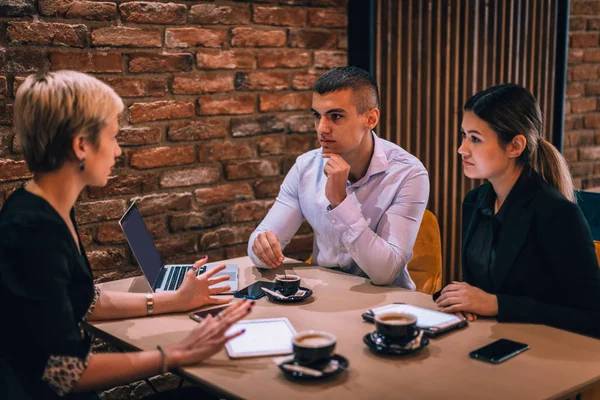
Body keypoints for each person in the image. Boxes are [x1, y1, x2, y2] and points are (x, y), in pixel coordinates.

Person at [0, 71, 255, 400]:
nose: (118, 151)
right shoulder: (32, 232)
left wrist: (177, 300)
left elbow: (84, 300)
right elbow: (65, 373)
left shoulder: (48, 205)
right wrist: (176, 353)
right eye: (113, 137)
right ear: (81, 145)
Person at [435, 83, 600, 338]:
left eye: (475, 139)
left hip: (546, 355)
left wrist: (496, 304)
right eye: (463, 135)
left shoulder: (557, 214)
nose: (462, 149)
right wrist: (462, 301)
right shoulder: (475, 201)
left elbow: (592, 318)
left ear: (515, 146)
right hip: (488, 342)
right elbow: (479, 287)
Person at [247, 66, 430, 289]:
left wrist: (341, 202)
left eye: (336, 116)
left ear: (370, 118)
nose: (322, 128)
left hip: (387, 305)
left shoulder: (408, 174)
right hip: (323, 295)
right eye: (317, 116)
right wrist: (261, 249)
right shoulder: (306, 167)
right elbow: (260, 241)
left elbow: (385, 273)